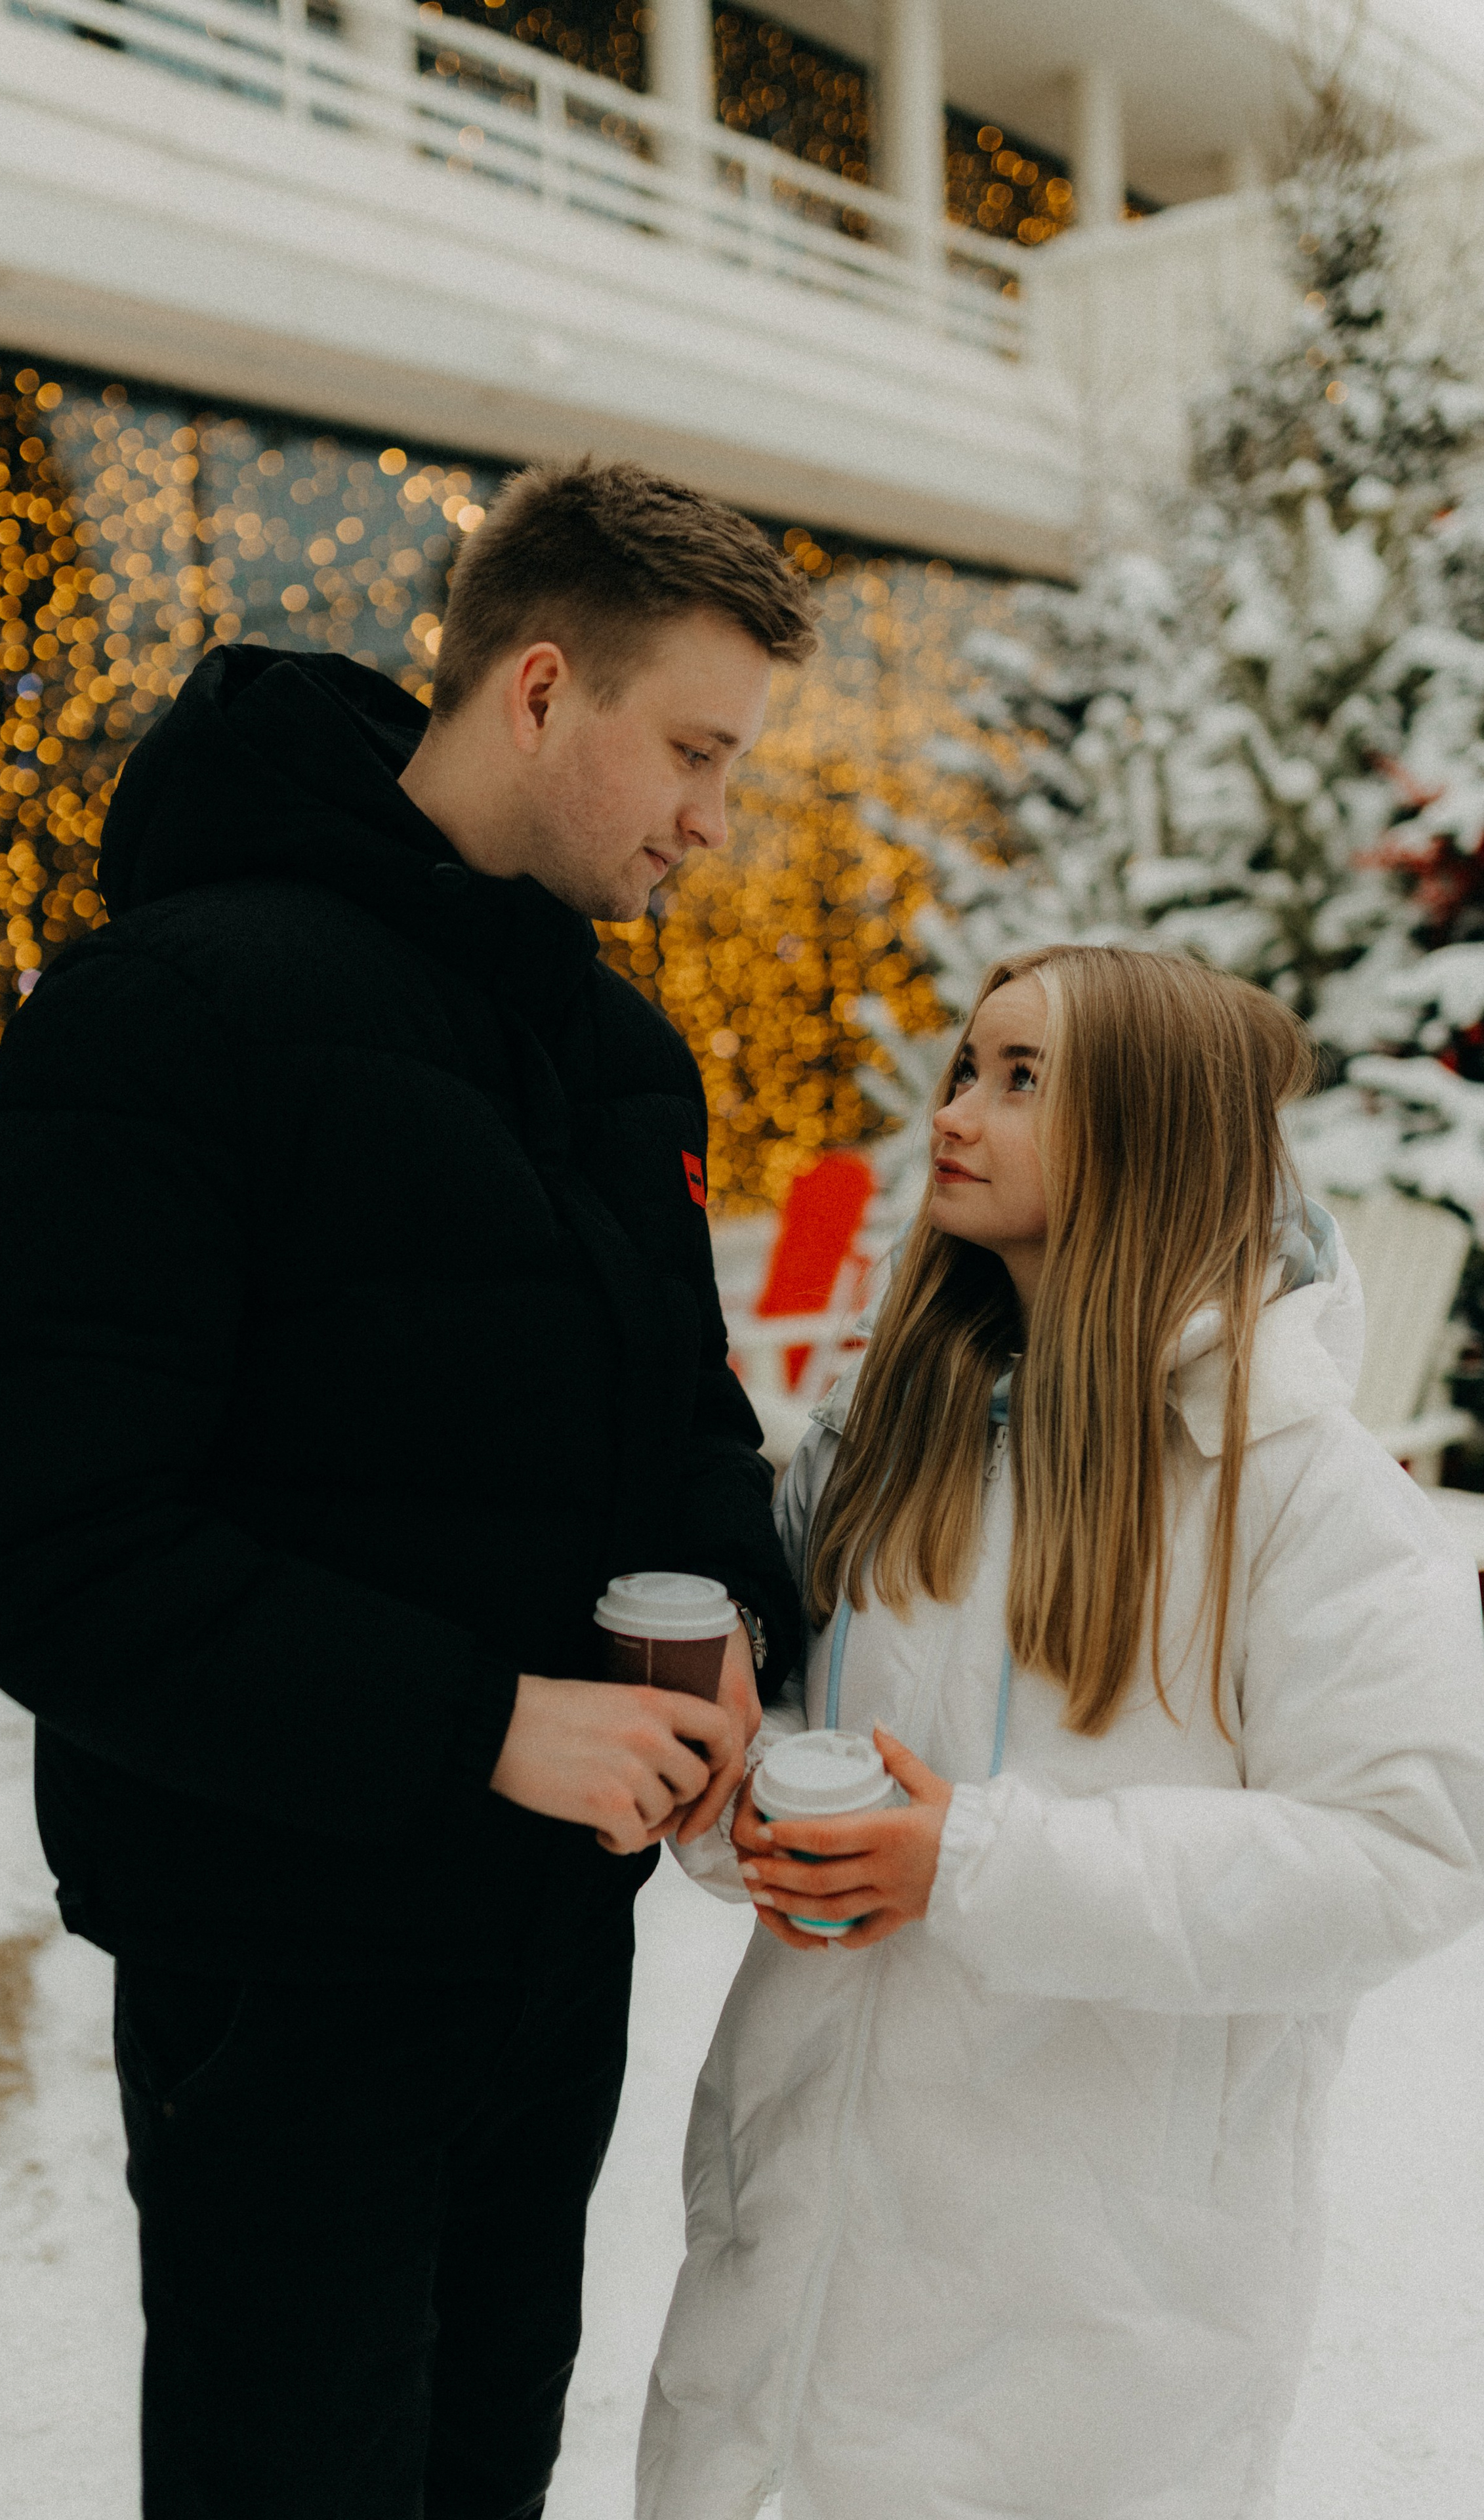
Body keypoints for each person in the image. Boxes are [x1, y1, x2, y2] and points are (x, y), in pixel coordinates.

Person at [0, 457, 815, 2518]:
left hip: (544, 1958)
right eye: (690, 751)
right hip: (284, 1963)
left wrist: (730, 1612)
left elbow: (686, 1411)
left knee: (487, 2468)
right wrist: (482, 1725)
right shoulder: (176, 1007)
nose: (711, 817)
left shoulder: (619, 1057)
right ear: (540, 688)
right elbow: (40, 1534)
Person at [640, 944, 1484, 2520]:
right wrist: (738, 1804)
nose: (957, 1111)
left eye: (1020, 1080)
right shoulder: (891, 1425)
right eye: (967, 1066)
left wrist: (969, 1860)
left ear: (1149, 1129)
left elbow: (1404, 1854)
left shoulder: (1300, 1495)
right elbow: (818, 1733)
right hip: (794, 2269)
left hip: (1085, 2317)